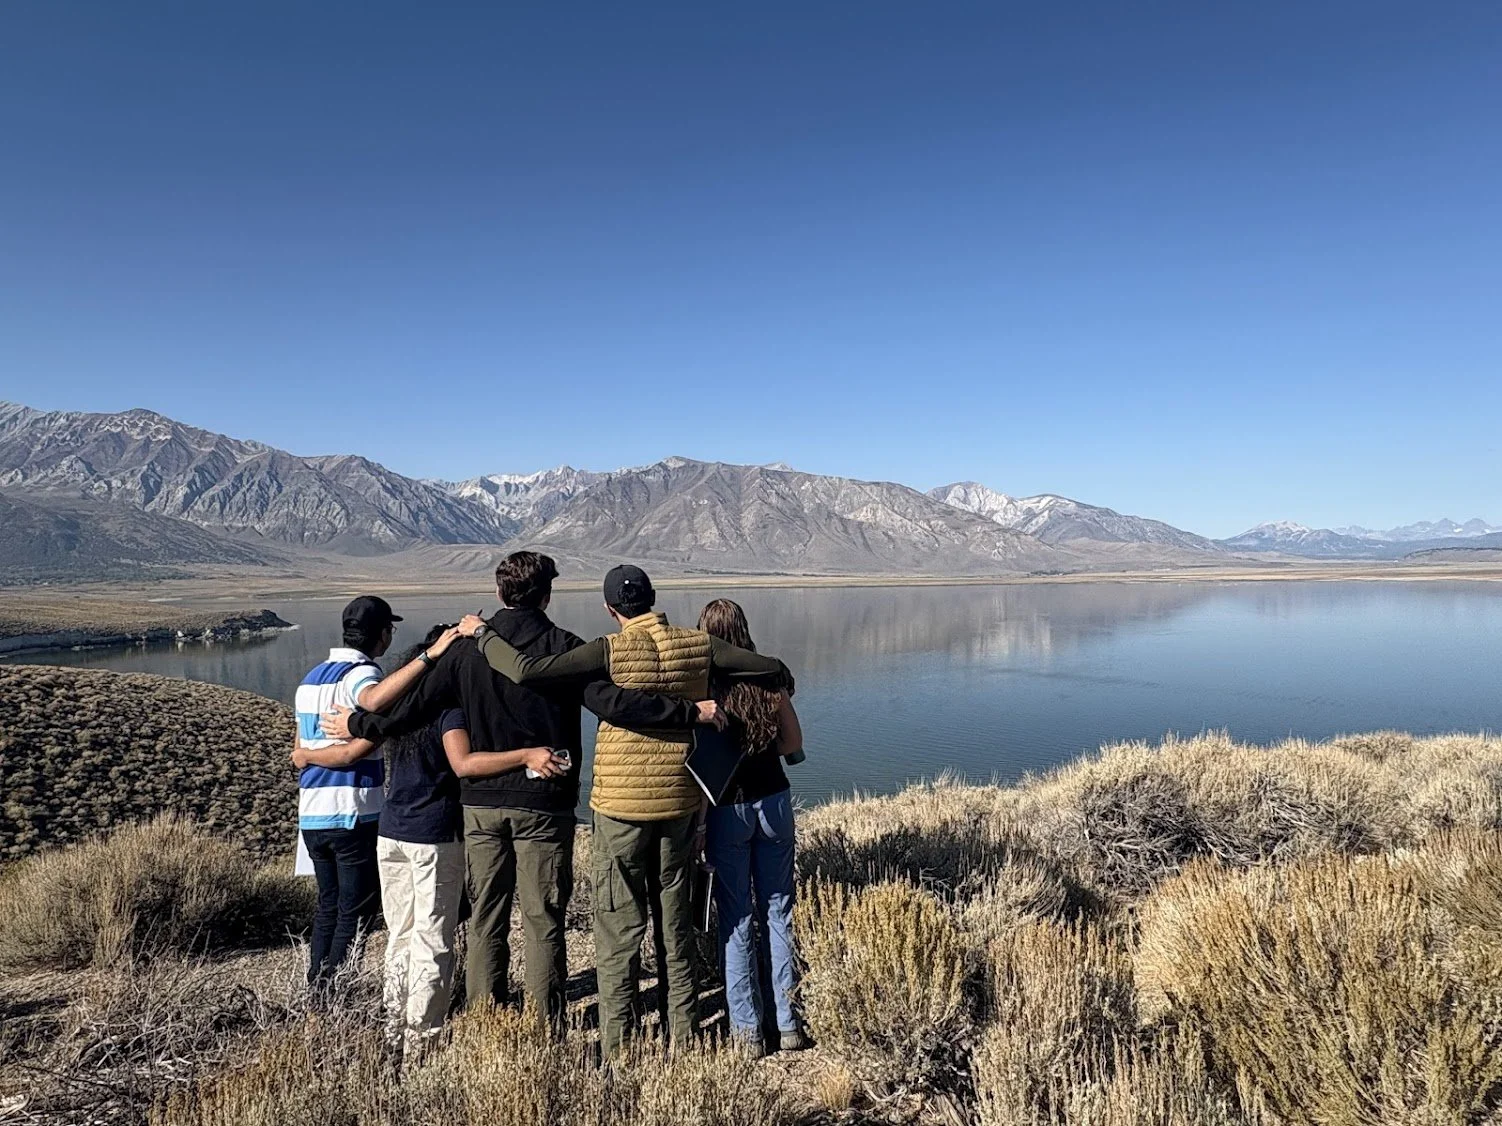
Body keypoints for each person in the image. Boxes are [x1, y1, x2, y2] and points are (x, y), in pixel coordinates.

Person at [321, 552, 723, 1024]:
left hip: (480, 805)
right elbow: (613, 705)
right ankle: (542, 1025)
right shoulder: (564, 647)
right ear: (547, 595)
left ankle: (486, 1020)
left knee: (487, 915)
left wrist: (359, 722)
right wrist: (687, 713)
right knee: (543, 917)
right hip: (545, 805)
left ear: (498, 593)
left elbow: (414, 709)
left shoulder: (466, 649)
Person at [458, 564, 793, 1054]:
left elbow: (527, 671)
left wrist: (482, 634)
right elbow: (764, 665)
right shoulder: (696, 645)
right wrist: (779, 676)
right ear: (654, 598)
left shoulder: (607, 650)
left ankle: (619, 1044)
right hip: (678, 802)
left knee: (618, 929)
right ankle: (683, 1035)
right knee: (674, 927)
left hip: (619, 809)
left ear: (611, 609)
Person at [298, 622, 562, 1056]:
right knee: (433, 939)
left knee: (399, 937)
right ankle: (424, 1041)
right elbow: (463, 764)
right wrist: (525, 755)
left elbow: (354, 742)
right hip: (434, 834)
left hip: (391, 831)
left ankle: (394, 1031)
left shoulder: (398, 707)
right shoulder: (446, 709)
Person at [294, 596, 463, 987]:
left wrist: (309, 755)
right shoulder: (360, 674)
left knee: (327, 907)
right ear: (382, 635)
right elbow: (370, 707)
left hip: (312, 813)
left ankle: (318, 988)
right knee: (353, 913)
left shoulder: (311, 678)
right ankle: (334, 994)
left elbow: (299, 750)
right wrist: (429, 658)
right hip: (352, 808)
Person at [697, 599, 809, 1056]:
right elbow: (793, 743)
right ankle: (789, 1024)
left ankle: (746, 1032)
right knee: (779, 911)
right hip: (775, 803)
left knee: (737, 917)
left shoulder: (705, 687)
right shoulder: (769, 681)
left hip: (727, 810)